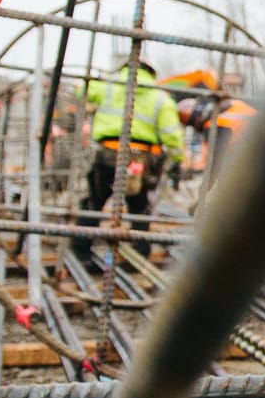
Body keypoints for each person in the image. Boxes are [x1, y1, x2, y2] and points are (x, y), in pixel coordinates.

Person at [72, 58, 184, 262]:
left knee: (94, 202)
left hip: (107, 153)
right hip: (139, 158)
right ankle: (140, 253)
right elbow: (172, 135)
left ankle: (81, 250)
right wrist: (176, 159)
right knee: (139, 206)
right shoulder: (159, 97)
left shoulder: (109, 85)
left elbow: (82, 90)